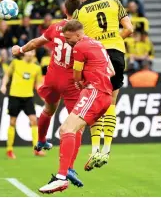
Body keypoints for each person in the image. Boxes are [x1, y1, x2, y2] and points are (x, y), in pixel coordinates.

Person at [11, 0, 83, 187]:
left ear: (64, 10)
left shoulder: (55, 27)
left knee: (48, 109)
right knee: (76, 125)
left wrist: (20, 50)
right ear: (80, 10)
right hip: (71, 80)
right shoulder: (82, 30)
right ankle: (69, 167)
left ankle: (41, 140)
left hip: (52, 76)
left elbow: (35, 43)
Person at [38, 20, 114, 194]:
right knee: (70, 130)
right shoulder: (97, 44)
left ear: (78, 35)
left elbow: (76, 76)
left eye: (68, 38)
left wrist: (84, 83)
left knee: (66, 130)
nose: (66, 41)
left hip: (94, 91)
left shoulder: (79, 47)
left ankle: (61, 177)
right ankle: (64, 174)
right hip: (104, 94)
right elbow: (112, 71)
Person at [73, 0, 134, 170]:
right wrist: (115, 40)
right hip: (117, 54)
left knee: (96, 102)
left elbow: (75, 39)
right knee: (111, 103)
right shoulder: (114, 1)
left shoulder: (80, 11)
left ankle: (95, 149)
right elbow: (130, 29)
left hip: (96, 57)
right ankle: (107, 150)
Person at [0, 50, 43, 158]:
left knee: (34, 120)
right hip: (15, 96)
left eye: (32, 52)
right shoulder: (16, 63)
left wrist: (43, 96)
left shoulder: (36, 68)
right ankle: (9, 150)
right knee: (12, 122)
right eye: (28, 52)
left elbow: (38, 85)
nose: (30, 54)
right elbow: (7, 75)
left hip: (28, 97)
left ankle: (36, 149)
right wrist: (4, 85)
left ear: (34, 54)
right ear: (24, 53)